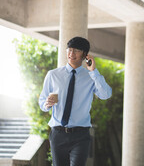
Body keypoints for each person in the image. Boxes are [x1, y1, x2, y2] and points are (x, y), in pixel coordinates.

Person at [39, 36, 112, 166]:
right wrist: (46, 104)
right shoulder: (53, 75)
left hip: (81, 135)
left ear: (85, 55)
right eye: (69, 50)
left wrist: (94, 71)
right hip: (58, 133)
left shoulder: (91, 77)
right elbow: (42, 101)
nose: (71, 54)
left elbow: (105, 94)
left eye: (76, 50)